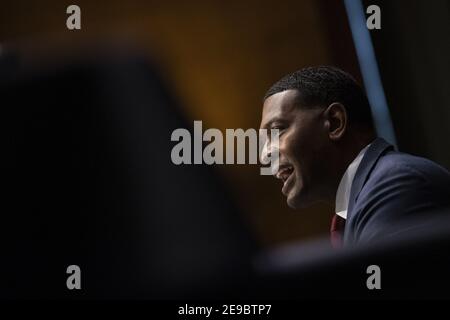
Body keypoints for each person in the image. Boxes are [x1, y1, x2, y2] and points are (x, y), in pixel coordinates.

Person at [259, 66, 450, 247]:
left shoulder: (397, 184)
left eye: (276, 131)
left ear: (335, 123)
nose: (264, 155)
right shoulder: (363, 201)